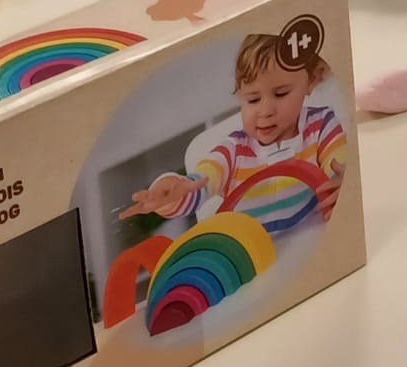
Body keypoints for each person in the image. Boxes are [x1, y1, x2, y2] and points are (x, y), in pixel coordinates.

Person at [123, 35, 347, 228]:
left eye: (281, 94)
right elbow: (202, 182)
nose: (266, 111)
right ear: (240, 97)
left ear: (311, 81)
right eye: (253, 99)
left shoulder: (321, 125)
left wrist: (345, 182)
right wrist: (174, 193)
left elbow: (341, 165)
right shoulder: (233, 151)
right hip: (251, 256)